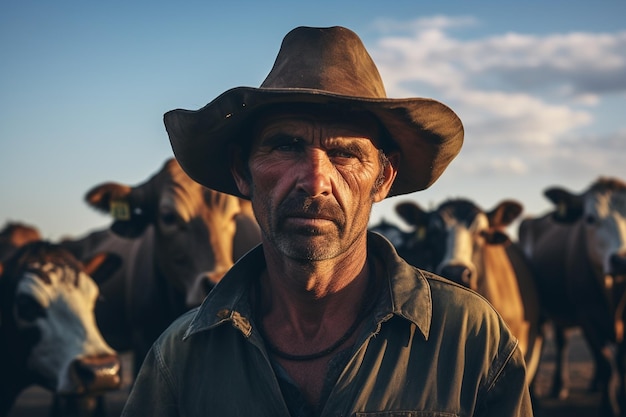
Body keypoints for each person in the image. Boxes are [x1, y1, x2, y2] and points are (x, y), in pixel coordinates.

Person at [122, 26, 532, 417]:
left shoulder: (470, 338)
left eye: (346, 154)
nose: (315, 182)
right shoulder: (179, 358)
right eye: (286, 145)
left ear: (383, 178)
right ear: (242, 172)